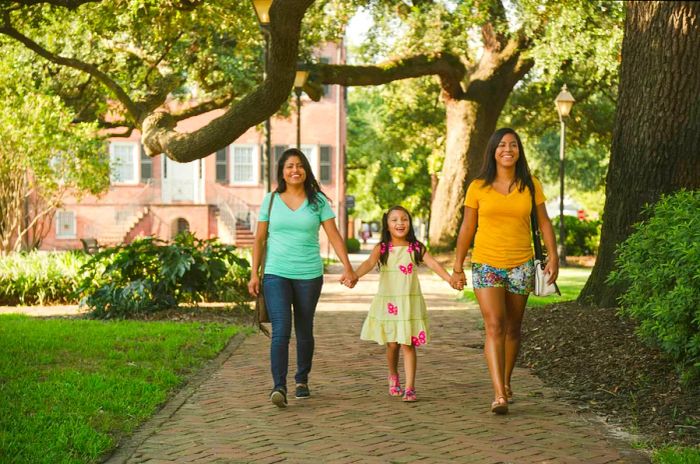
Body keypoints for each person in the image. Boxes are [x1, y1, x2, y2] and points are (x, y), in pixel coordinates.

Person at [450, 128, 559, 414]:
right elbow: (467, 227)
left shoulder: (530, 184)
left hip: (521, 264)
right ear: (493, 151)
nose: (507, 149)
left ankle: (507, 382)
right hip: (486, 263)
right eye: (501, 145)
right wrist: (457, 264)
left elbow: (544, 223)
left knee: (513, 328)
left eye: (513, 145)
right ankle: (499, 393)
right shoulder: (478, 186)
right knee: (495, 325)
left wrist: (554, 256)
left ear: (519, 151)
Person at [248, 148, 358, 408]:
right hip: (276, 273)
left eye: (299, 165)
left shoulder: (318, 201)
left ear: (306, 170)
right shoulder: (271, 200)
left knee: (304, 328)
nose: (294, 170)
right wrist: (254, 273)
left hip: (309, 274)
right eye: (289, 166)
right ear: (282, 172)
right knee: (281, 330)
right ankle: (279, 387)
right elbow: (260, 239)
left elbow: (333, 235)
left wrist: (347, 266)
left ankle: (302, 379)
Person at [354, 206, 452, 402]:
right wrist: (353, 276)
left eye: (404, 219)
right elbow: (368, 264)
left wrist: (450, 279)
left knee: (408, 344)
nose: (400, 223)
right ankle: (393, 375)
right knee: (392, 345)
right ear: (387, 225)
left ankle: (410, 387)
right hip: (389, 303)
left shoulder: (416, 247)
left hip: (409, 302)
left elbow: (433, 264)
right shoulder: (381, 248)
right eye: (394, 220)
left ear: (410, 222)